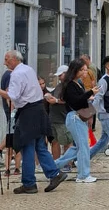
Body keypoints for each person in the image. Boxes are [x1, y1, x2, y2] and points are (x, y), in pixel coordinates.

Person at [0, 50, 67, 193]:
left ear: (14, 60)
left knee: (27, 146)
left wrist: (0, 91)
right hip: (38, 109)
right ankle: (54, 173)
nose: (5, 63)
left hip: (28, 112)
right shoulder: (28, 69)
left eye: (6, 59)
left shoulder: (17, 74)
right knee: (39, 146)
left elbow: (13, 96)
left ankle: (29, 182)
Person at [53, 59, 101, 183]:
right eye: (82, 70)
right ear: (76, 70)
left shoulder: (78, 83)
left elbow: (81, 99)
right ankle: (83, 175)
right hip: (75, 117)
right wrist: (90, 92)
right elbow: (75, 101)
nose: (85, 72)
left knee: (77, 147)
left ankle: (54, 166)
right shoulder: (69, 85)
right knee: (83, 146)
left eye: (86, 69)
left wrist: (89, 96)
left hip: (79, 117)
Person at [49, 65, 73, 163]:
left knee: (67, 142)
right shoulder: (59, 86)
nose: (59, 77)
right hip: (54, 118)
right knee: (55, 142)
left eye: (61, 75)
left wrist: (56, 101)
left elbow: (69, 100)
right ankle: (57, 162)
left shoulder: (70, 86)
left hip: (63, 118)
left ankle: (67, 163)